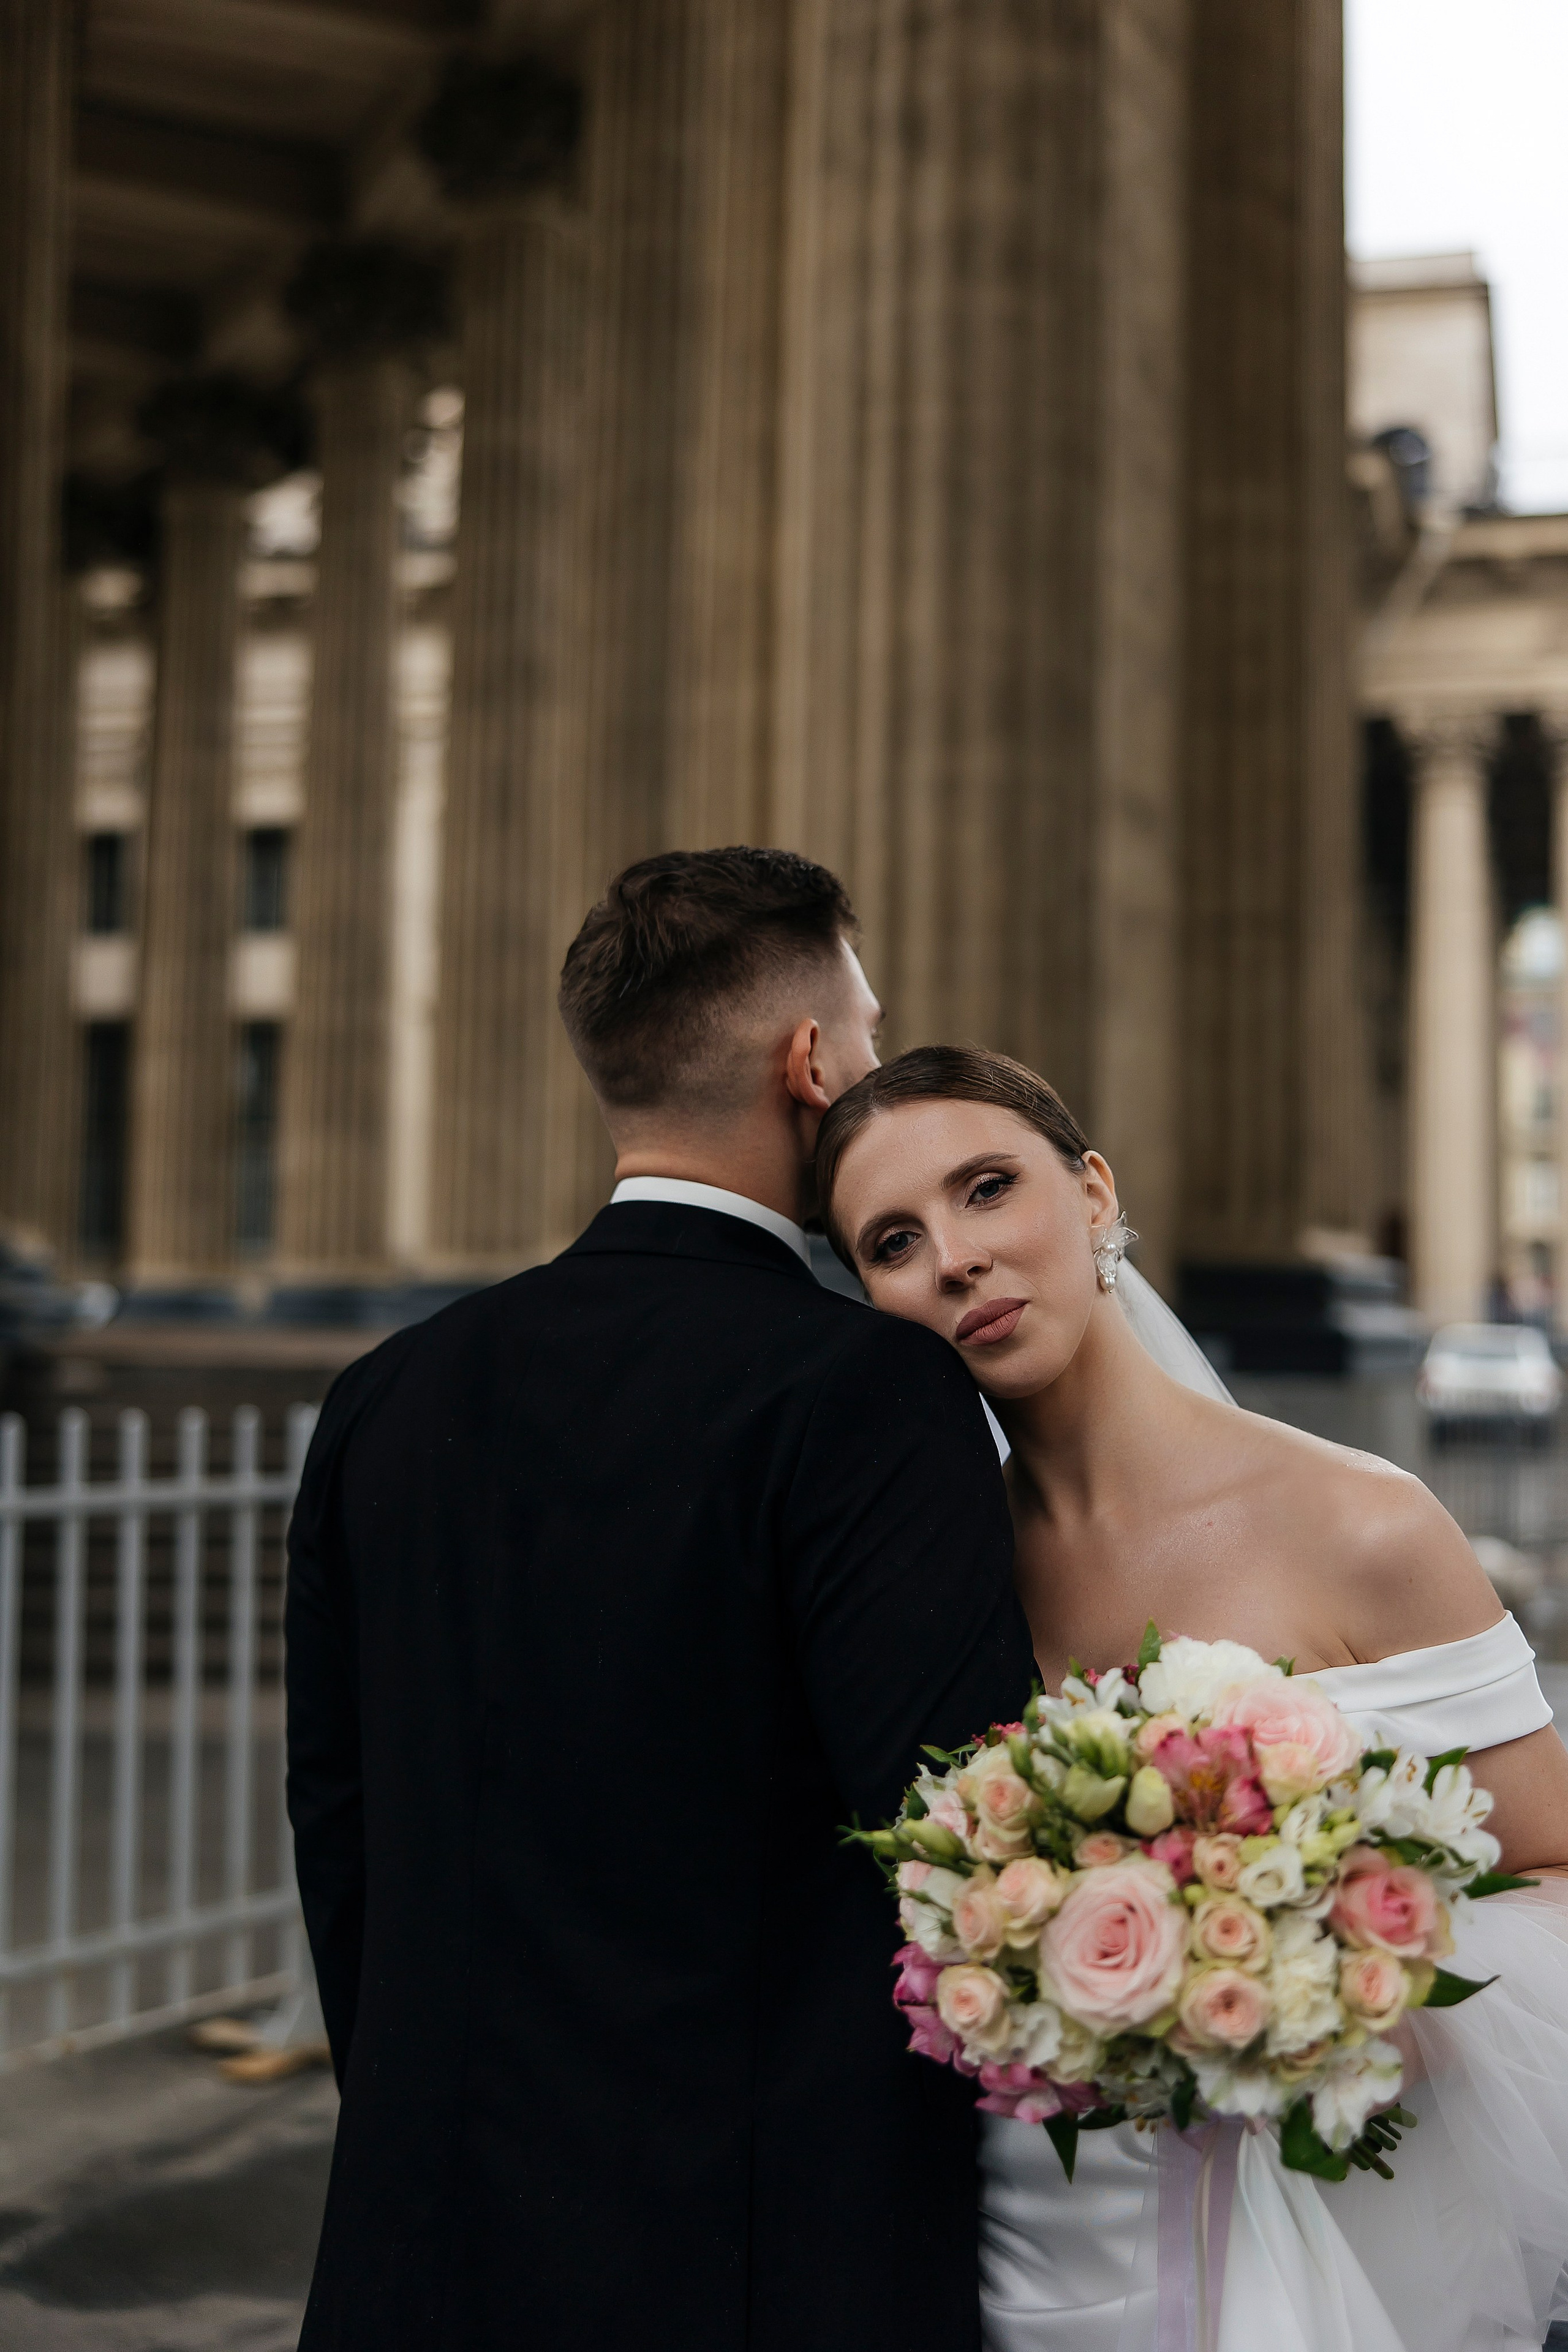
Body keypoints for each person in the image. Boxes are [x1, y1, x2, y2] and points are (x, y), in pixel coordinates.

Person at [285, 852, 1036, 2352]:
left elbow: (343, 1832)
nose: (876, 1068)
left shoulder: (386, 1401)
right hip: (757, 2256)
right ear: (808, 1064)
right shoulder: (864, 1390)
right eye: (869, 1034)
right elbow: (959, 1840)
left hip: (420, 2244)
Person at [816, 1043, 1568, 2352]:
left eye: (987, 1188)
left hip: (1318, 2232)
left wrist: (1299, 1976)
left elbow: (1549, 1868)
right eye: (893, 1241)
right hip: (1022, 2248)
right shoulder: (930, 1580)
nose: (953, 1257)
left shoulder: (1361, 1523)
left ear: (1094, 1196)